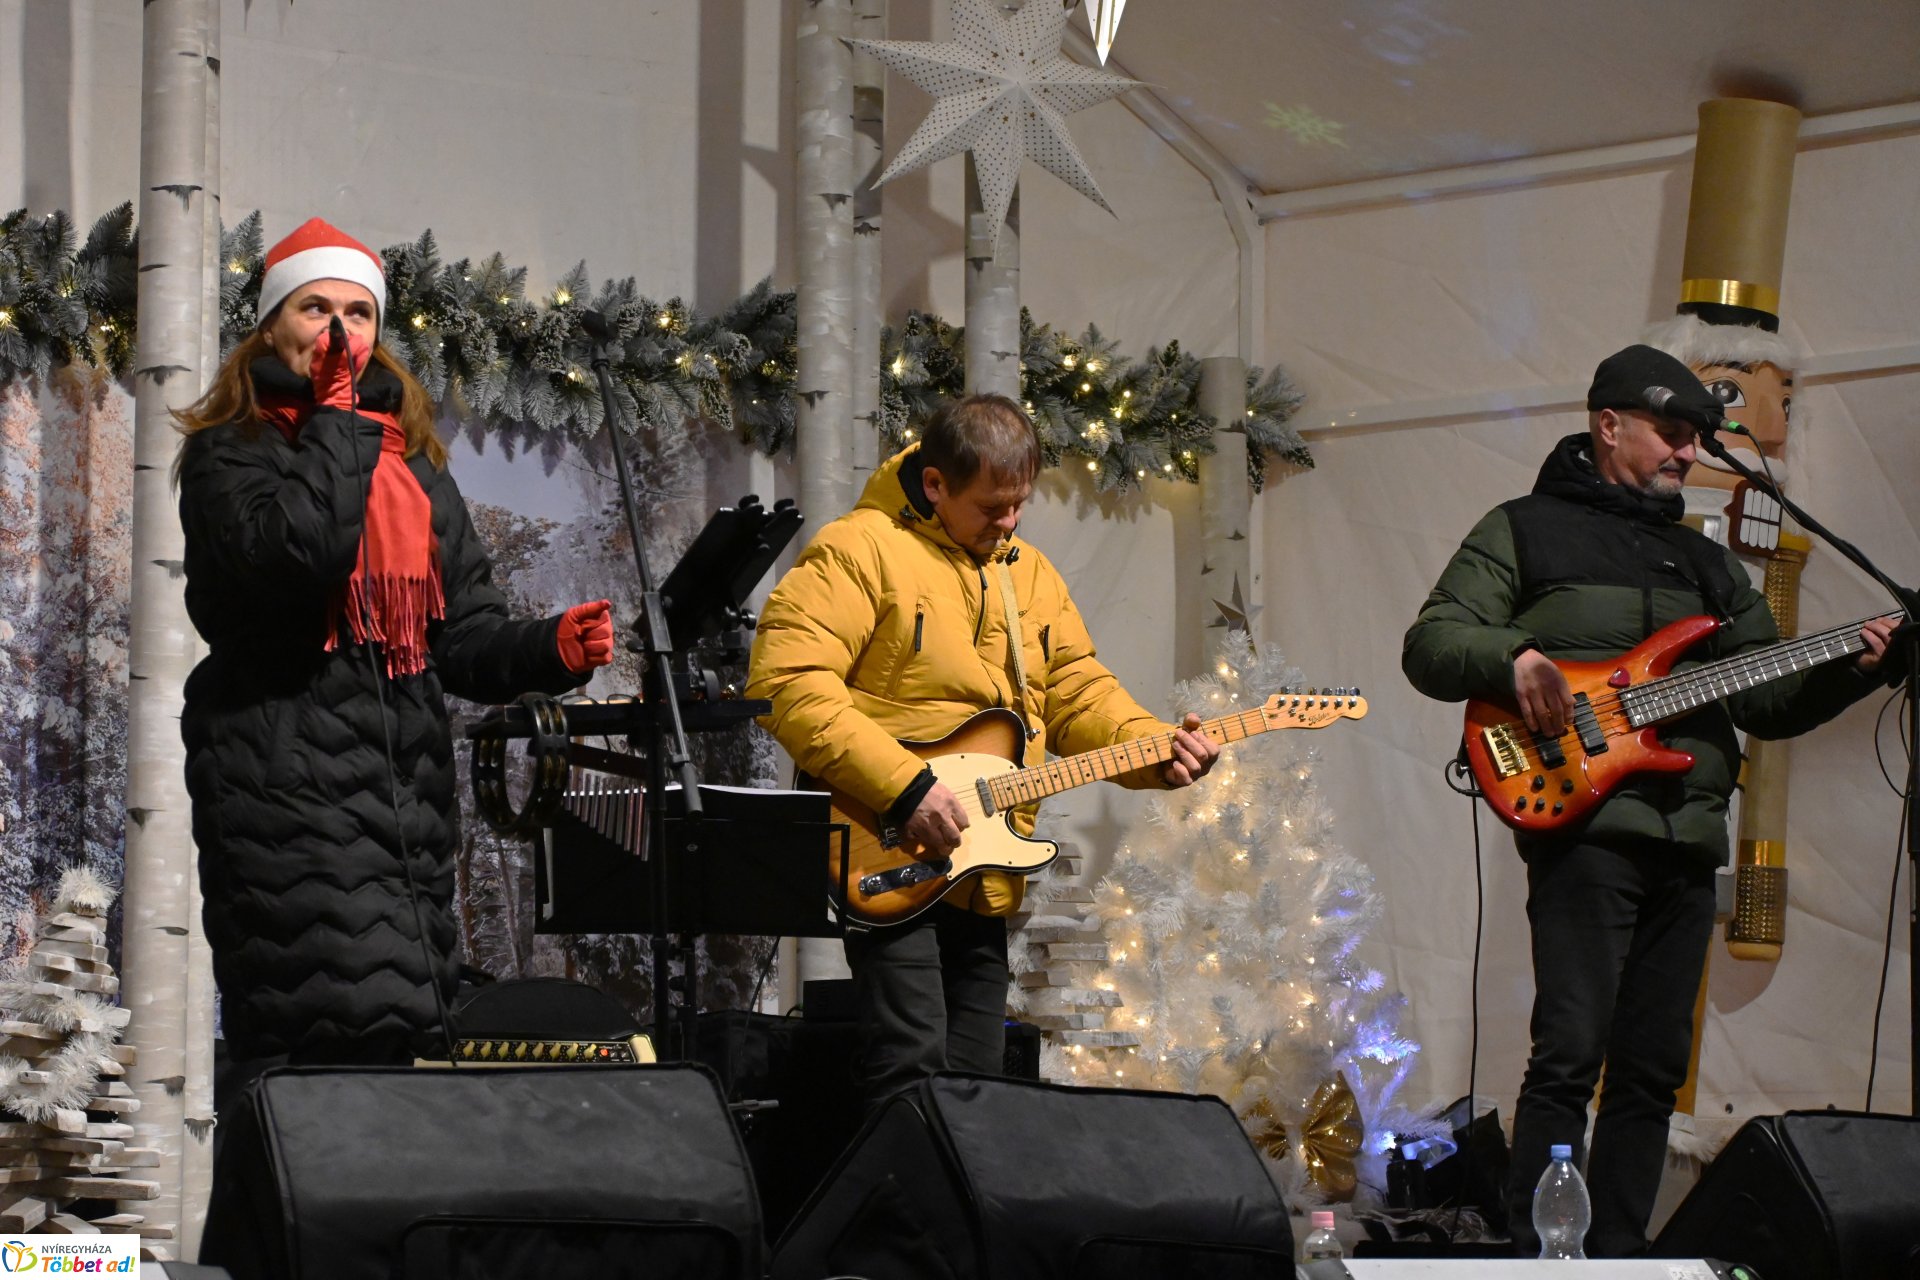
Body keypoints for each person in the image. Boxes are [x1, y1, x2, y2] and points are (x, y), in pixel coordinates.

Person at [1401, 344, 1899, 1258]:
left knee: (1652, 1072)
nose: (1685, 453)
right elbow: (1431, 644)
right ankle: (1538, 1258)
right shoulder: (1522, 528)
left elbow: (1769, 701)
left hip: (1689, 836)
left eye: (1696, 440)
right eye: (1671, 433)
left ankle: (1621, 1257)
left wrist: (1872, 664)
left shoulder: (1708, 569)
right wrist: (1514, 660)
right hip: (1584, 825)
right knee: (1570, 1052)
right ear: (1609, 424)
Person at [174, 217, 616, 1105]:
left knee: (401, 1032)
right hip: (280, 777)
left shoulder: (412, 465)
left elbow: (462, 635)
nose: (340, 333)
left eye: (359, 314)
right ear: (270, 326)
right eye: (315, 308)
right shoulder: (230, 453)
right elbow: (297, 565)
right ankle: (279, 1232)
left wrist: (548, 648)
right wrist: (336, 421)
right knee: (330, 1032)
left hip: (402, 800)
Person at [746, 393, 1220, 1104]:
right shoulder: (857, 549)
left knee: (976, 1077)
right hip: (887, 844)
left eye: (1020, 503)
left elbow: (1076, 691)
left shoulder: (1027, 570)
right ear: (934, 484)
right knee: (911, 1064)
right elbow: (786, 682)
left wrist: (1153, 749)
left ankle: (947, 1213)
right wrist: (905, 789)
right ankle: (896, 1215)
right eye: (993, 506)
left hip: (982, 856)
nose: (1010, 522)